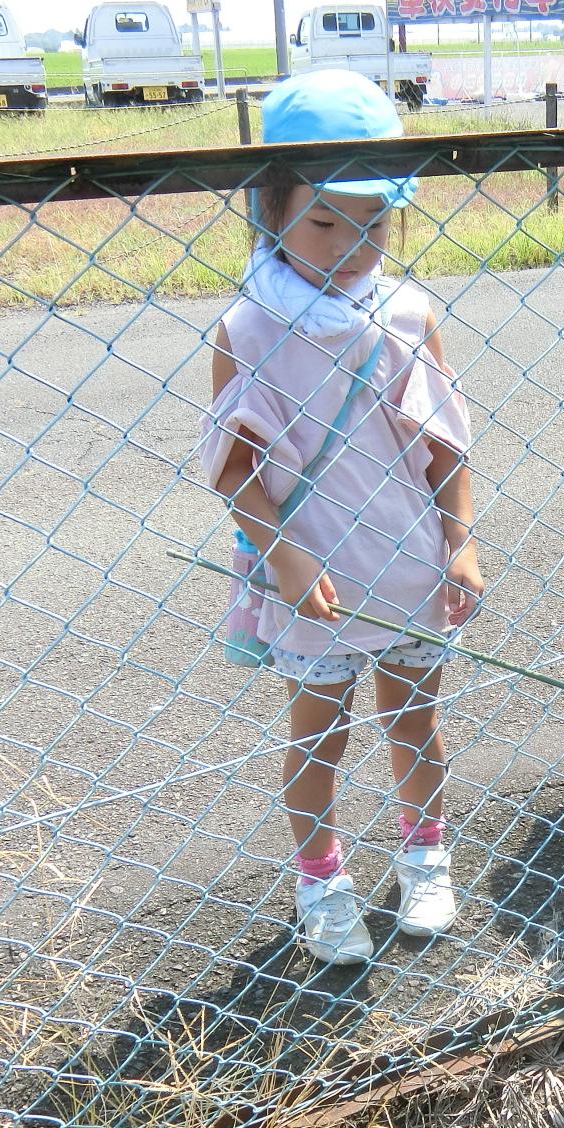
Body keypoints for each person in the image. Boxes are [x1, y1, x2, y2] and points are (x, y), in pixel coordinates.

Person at [199, 71, 480, 965]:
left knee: (415, 721)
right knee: (318, 732)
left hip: (408, 563)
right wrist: (279, 556)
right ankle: (321, 877)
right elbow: (234, 469)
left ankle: (425, 852)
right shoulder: (246, 328)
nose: (353, 244)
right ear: (271, 209)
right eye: (326, 220)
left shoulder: (406, 313)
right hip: (311, 573)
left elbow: (444, 443)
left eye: (375, 220)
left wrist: (461, 540)